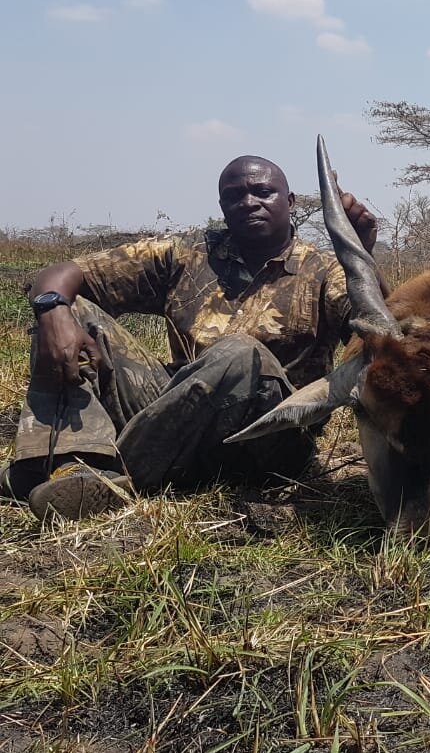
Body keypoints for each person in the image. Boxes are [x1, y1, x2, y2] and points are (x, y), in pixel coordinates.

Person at [0, 154, 376, 519]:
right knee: (70, 311)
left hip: (270, 440)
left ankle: (106, 475)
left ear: (290, 202)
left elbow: (379, 333)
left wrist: (362, 258)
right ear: (221, 205)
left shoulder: (326, 269)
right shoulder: (186, 254)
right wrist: (53, 310)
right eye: (234, 195)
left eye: (263, 192)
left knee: (243, 354)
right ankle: (72, 463)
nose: (249, 202)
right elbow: (62, 272)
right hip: (178, 414)